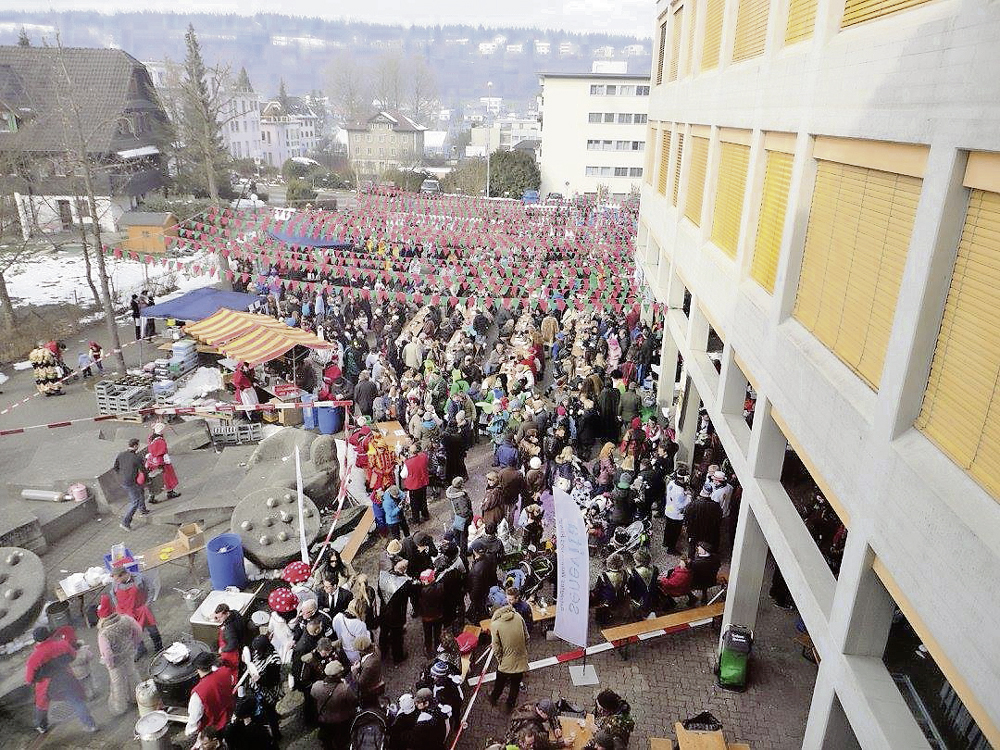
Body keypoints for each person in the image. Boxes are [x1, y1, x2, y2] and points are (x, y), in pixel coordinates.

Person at [25, 626, 98, 735]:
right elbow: (73, 656)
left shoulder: (34, 658)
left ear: (36, 640)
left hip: (46, 686)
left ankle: (42, 726)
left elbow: (29, 679)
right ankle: (91, 725)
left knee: (41, 706)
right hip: (65, 678)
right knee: (76, 701)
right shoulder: (62, 644)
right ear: (49, 635)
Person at [95, 594, 142, 716]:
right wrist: (134, 645)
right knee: (132, 674)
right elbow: (138, 631)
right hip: (128, 653)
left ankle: (119, 707)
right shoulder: (126, 619)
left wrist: (110, 665)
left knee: (118, 683)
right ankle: (138, 697)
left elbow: (107, 654)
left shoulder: (103, 633)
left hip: (116, 662)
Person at [110, 567, 162, 658]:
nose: (116, 581)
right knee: (134, 633)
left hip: (142, 610)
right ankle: (141, 649)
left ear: (124, 574)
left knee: (152, 629)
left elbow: (151, 589)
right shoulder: (116, 584)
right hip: (128, 613)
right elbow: (113, 594)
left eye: (117, 579)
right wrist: (118, 608)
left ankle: (159, 647)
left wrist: (147, 605)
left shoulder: (140, 578)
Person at [488, 602, 529, 712]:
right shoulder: (518, 616)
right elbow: (527, 637)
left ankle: (493, 699)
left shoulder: (495, 625)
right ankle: (510, 706)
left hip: (506, 662)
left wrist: (500, 660)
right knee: (515, 685)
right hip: (520, 659)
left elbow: (496, 648)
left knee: (499, 684)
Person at [185, 653, 237, 738]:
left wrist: (189, 732)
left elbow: (194, 718)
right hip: (230, 714)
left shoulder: (198, 693)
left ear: (198, 669)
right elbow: (231, 681)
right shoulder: (226, 671)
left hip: (213, 729)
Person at [242, 635, 283, 741]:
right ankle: (276, 716)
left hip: (269, 691)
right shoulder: (259, 651)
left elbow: (272, 681)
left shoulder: (274, 660)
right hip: (259, 687)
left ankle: (276, 734)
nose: (255, 651)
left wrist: (259, 679)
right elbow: (252, 658)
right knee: (270, 711)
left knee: (270, 713)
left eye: (257, 650)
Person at [311, 660, 357, 750]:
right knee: (341, 741)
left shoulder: (316, 686)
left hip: (324, 719)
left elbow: (314, 699)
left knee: (327, 741)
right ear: (338, 674)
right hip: (341, 720)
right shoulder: (344, 689)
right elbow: (353, 701)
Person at [378, 559, 413, 664]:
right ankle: (398, 657)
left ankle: (383, 652)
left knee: (383, 633)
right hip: (397, 615)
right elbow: (410, 594)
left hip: (384, 611)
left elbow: (379, 593)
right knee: (397, 638)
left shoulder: (383, 576)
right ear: (404, 570)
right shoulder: (405, 583)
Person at [114, 437, 147, 531]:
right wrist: (147, 480)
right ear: (135, 446)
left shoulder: (121, 454)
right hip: (131, 482)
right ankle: (125, 522)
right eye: (138, 445)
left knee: (140, 490)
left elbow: (116, 467)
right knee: (135, 501)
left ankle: (143, 509)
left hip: (123, 480)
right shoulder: (137, 457)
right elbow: (143, 470)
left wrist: (123, 474)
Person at [145, 422, 181, 502]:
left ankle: (152, 496)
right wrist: (161, 464)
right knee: (167, 478)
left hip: (151, 462)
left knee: (154, 479)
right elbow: (160, 453)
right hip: (161, 462)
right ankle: (170, 492)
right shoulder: (160, 441)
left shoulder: (151, 437)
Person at [416, 568, 447, 658]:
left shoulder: (421, 590)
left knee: (427, 634)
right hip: (438, 615)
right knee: (437, 632)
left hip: (427, 617)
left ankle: (428, 650)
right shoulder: (439, 587)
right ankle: (438, 647)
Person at [684, 488, 723, 560]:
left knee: (692, 546)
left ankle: (691, 560)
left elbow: (686, 517)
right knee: (707, 547)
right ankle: (706, 560)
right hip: (708, 531)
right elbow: (719, 518)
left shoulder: (692, 505)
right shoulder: (716, 506)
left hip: (694, 531)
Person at [352, 634, 385, 705]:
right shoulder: (375, 647)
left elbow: (361, 682)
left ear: (362, 650)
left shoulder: (368, 666)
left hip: (370, 686)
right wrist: (360, 663)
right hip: (375, 675)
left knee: (370, 700)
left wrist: (355, 670)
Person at [402, 444, 431, 523]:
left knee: (414, 504)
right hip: (423, 482)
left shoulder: (408, 463)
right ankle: (425, 515)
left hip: (414, 485)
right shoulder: (424, 456)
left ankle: (416, 519)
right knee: (423, 500)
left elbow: (403, 475)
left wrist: (405, 461)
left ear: (410, 452)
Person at [213, 603, 245, 671]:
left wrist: (223, 649)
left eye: (220, 617)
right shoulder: (235, 612)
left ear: (227, 613)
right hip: (242, 635)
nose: (219, 619)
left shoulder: (229, 629)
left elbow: (232, 645)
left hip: (237, 646)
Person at [446, 476, 473, 552]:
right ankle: (464, 552)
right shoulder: (461, 497)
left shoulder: (451, 492)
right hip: (462, 519)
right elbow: (464, 511)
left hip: (455, 517)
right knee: (463, 536)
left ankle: (458, 549)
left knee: (457, 535)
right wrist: (470, 514)